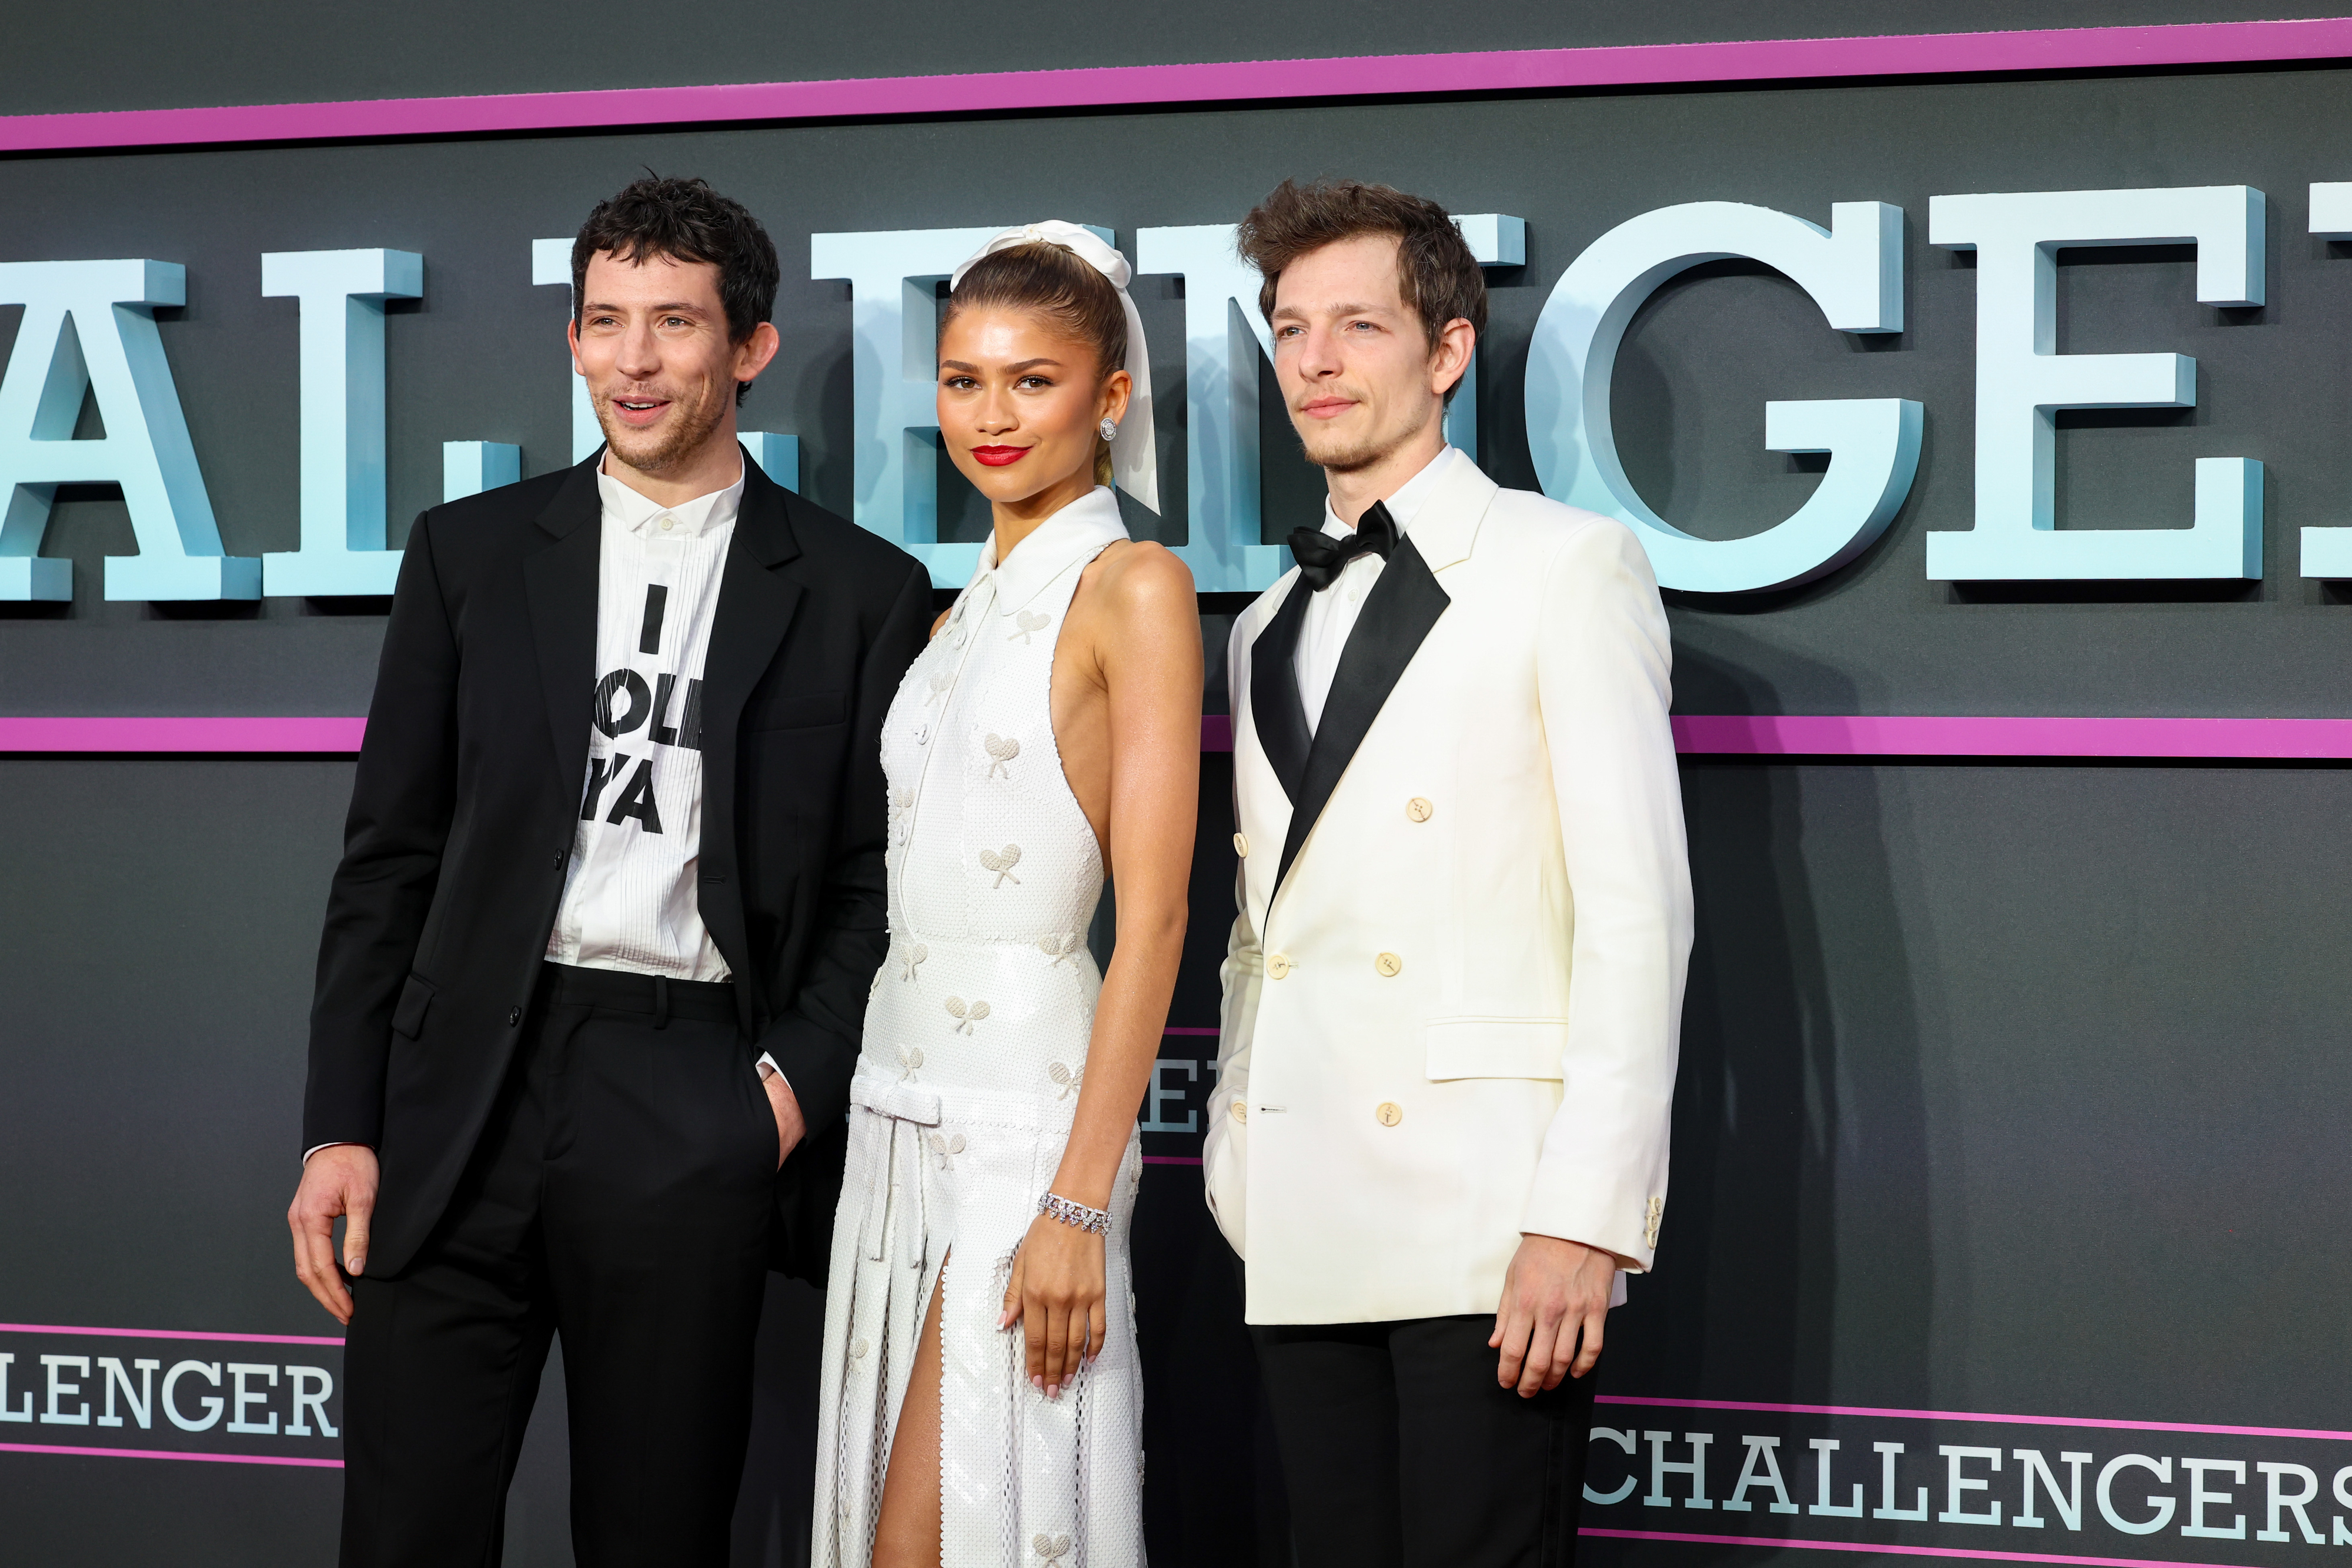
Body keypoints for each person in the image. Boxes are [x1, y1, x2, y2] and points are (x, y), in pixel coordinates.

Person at [285, 175, 932, 1566]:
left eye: (675, 324)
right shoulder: (468, 554)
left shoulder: (856, 589)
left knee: (654, 1532)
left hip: (688, 1086)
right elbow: (387, 851)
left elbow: (880, 882)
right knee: (403, 1531)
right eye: (605, 321)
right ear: (573, 339)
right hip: (459, 1095)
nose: (633, 359)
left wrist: (774, 1097)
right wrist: (342, 1121)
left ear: (748, 347)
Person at [1204, 178, 1693, 1567]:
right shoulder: (1259, 625)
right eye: (1291, 328)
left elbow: (1635, 914)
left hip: (1490, 1216)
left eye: (1357, 324)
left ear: (1446, 349)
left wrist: (1582, 1216)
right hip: (1304, 1205)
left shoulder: (1562, 566)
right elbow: (1263, 929)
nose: (1315, 360)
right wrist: (1239, 1142)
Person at [811, 222, 1200, 1568]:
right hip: (890, 1117)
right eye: (963, 379)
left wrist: (1077, 1200)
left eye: (1032, 380)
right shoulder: (947, 615)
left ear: (1109, 396)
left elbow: (1151, 915)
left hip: (1027, 1137)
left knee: (954, 1536)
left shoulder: (1133, 587)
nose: (991, 414)